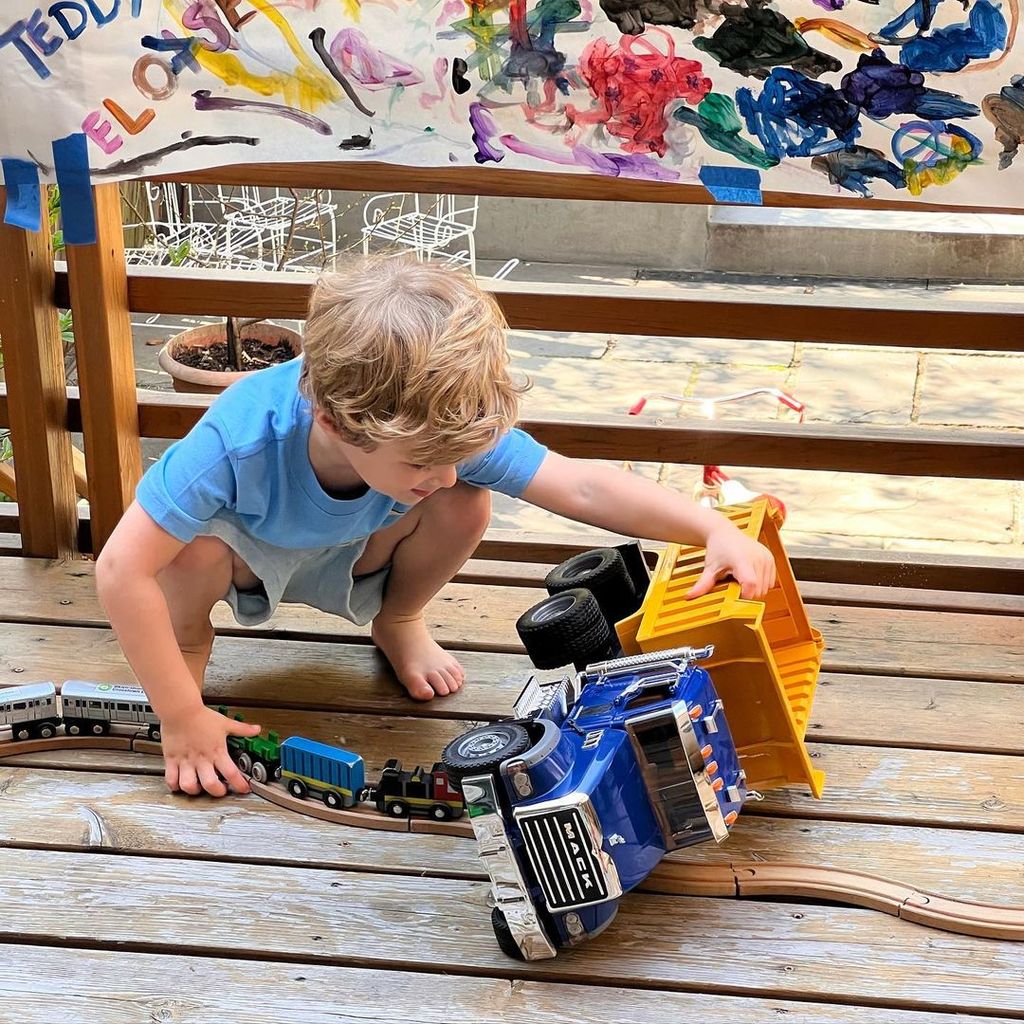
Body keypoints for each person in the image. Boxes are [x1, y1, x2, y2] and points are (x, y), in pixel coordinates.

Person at [96, 255, 775, 799]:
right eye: (426, 461)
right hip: (242, 556)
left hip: (359, 548)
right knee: (185, 555)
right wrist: (181, 716)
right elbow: (121, 569)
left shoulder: (431, 422)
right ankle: (184, 666)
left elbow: (580, 483)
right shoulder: (238, 435)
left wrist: (708, 529)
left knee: (465, 504)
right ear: (333, 422)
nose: (446, 471)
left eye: (455, 456)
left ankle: (398, 620)